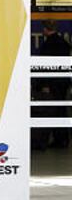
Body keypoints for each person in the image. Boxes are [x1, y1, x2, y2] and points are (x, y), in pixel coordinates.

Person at [38, 20, 71, 149]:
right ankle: (63, 139)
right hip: (63, 81)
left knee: (54, 110)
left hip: (52, 82)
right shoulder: (64, 43)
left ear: (46, 29)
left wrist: (44, 84)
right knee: (62, 109)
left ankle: (59, 139)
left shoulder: (48, 44)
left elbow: (45, 66)